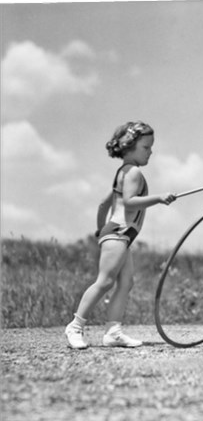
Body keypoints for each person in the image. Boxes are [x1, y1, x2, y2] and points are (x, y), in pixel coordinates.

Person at [65, 121, 176, 349]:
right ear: (130, 146)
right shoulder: (133, 172)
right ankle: (75, 327)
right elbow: (129, 202)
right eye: (146, 147)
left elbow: (103, 204)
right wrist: (158, 198)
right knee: (105, 282)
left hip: (119, 234)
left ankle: (113, 332)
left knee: (126, 282)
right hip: (119, 232)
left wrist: (100, 232)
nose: (150, 152)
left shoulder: (122, 173)